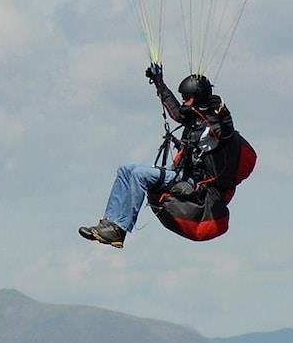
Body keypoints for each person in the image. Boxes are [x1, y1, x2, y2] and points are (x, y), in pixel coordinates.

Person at [78, 63, 235, 248]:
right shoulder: (193, 117)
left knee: (139, 175)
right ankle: (109, 223)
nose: (183, 100)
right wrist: (159, 82)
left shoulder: (213, 124)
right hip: (179, 173)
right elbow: (175, 111)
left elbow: (226, 133)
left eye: (187, 97)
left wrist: (224, 114)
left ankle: (119, 229)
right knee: (125, 170)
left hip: (193, 183)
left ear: (198, 97)